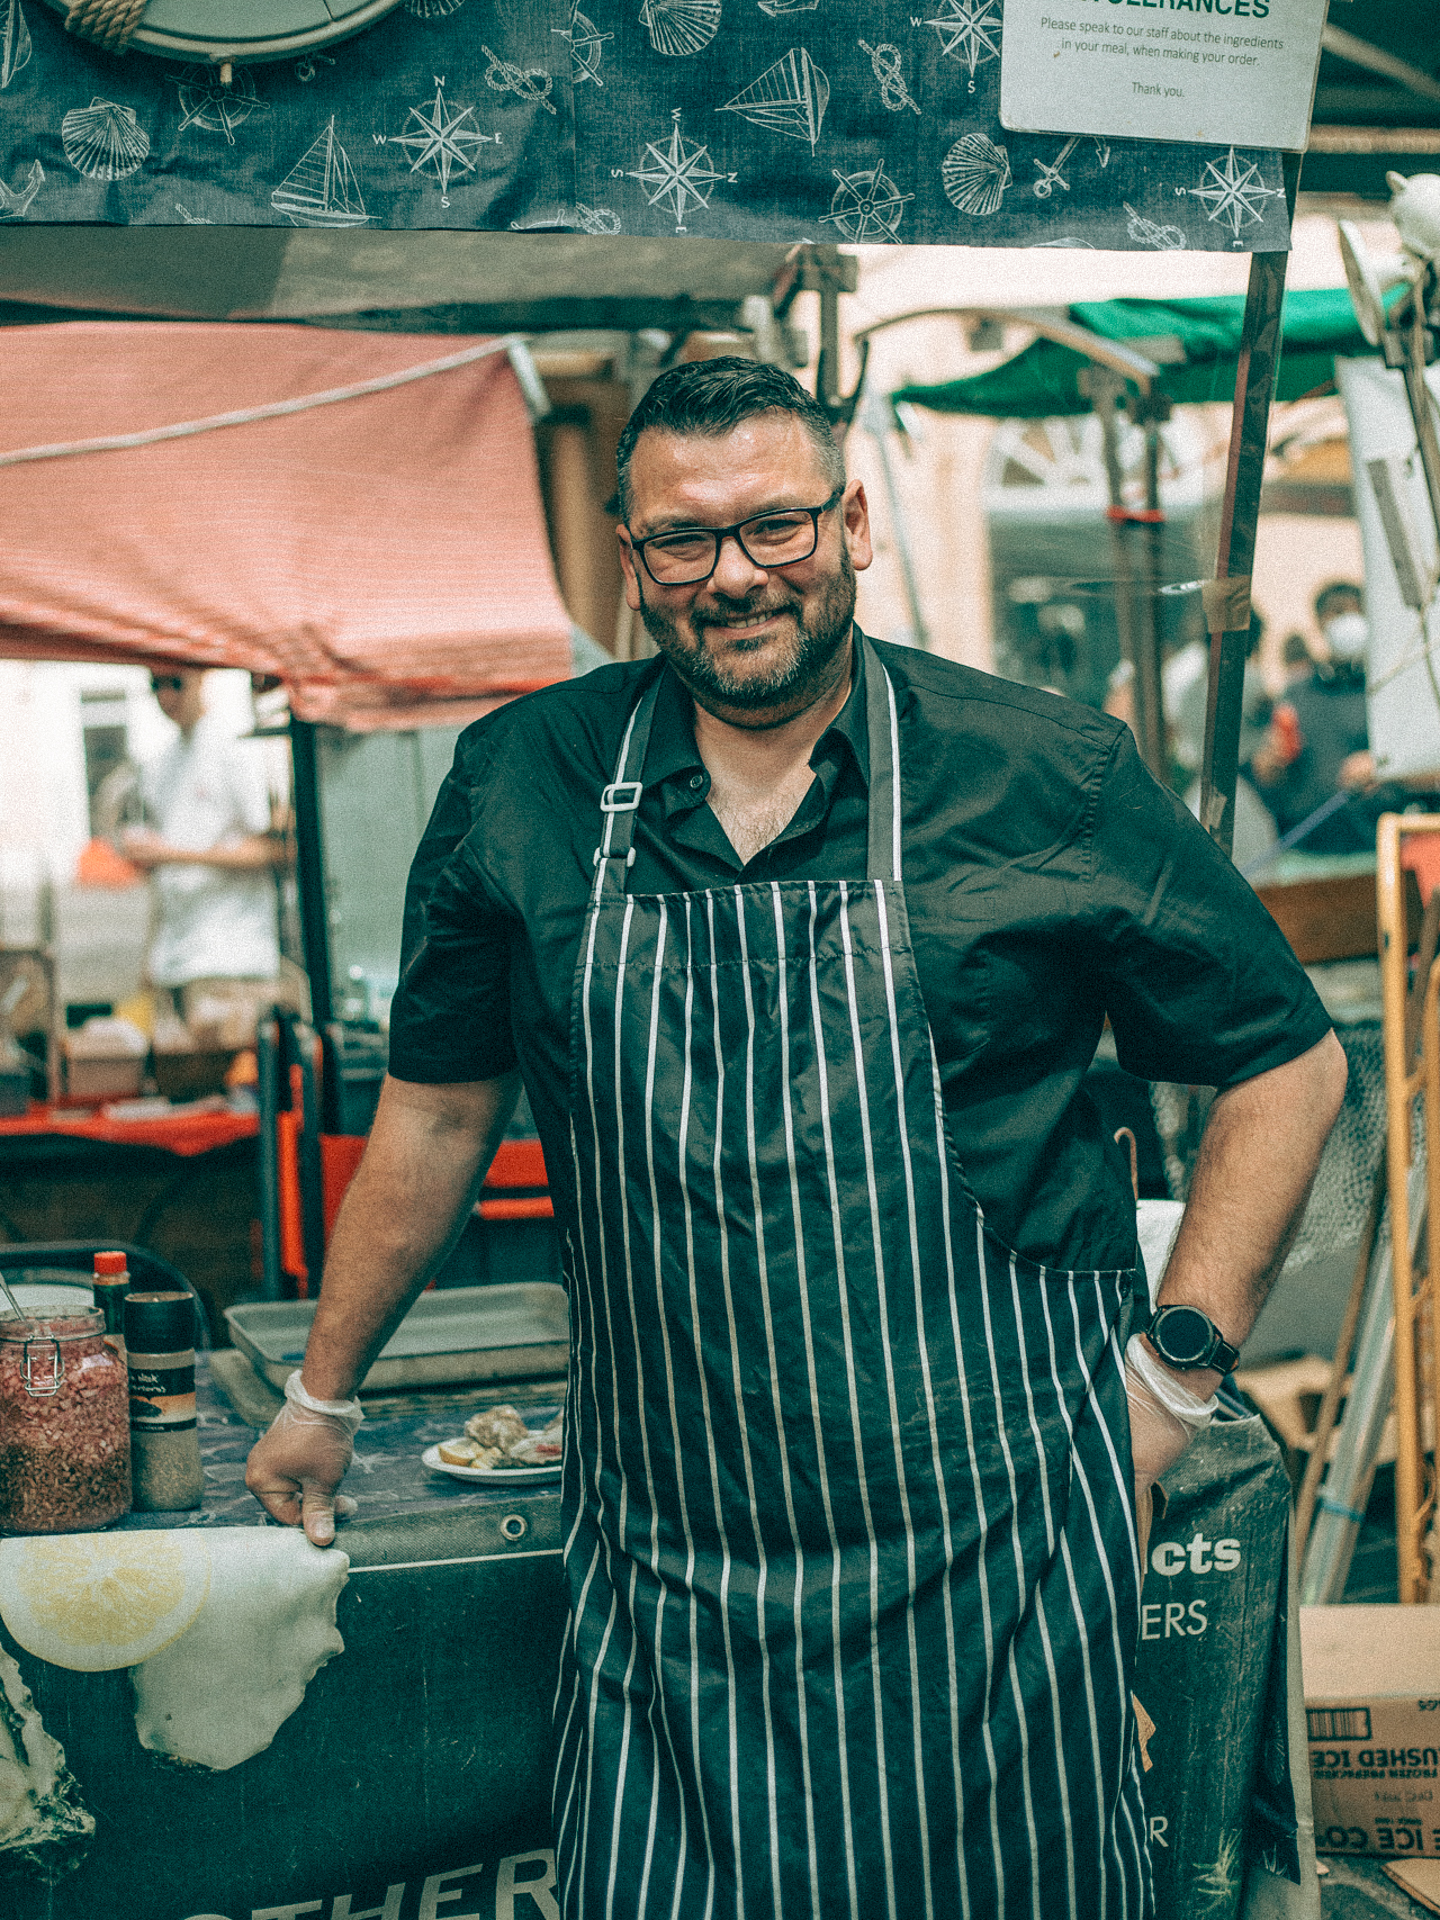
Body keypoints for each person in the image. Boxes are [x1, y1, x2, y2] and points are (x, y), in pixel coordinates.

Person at [246, 361, 1346, 1918]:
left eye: (777, 525)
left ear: (854, 525)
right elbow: (433, 1115)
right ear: (633, 563)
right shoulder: (523, 783)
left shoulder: (1042, 771)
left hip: (1000, 1548)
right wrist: (321, 1391)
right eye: (684, 542)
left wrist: (1175, 1370)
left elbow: (1285, 1064)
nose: (736, 576)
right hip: (675, 1563)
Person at [122, 668, 285, 1046]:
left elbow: (274, 848)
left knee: (237, 1089)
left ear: (200, 679)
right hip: (175, 960)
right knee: (190, 1091)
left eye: (175, 682)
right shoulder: (159, 764)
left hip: (231, 955)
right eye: (156, 685)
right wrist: (150, 956)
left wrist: (172, 853)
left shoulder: (233, 748)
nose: (166, 696)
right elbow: (164, 878)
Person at [1251, 581, 1386, 856]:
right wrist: (1271, 762)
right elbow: (1270, 775)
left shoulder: (1384, 687)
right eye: (1338, 613)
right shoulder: (1297, 693)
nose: (1350, 620)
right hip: (1309, 852)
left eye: (1358, 612)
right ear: (1321, 623)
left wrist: (1381, 765)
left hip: (1377, 846)